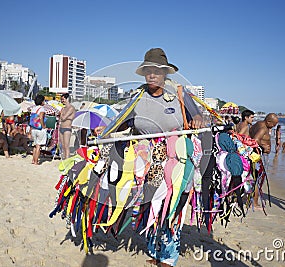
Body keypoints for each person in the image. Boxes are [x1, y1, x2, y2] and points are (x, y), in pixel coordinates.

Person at [95, 48, 205, 267]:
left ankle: (169, 257)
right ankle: (155, 250)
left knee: (170, 206)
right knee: (149, 204)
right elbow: (122, 120)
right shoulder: (138, 96)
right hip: (145, 160)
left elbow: (198, 116)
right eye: (148, 71)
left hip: (175, 159)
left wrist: (198, 120)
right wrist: (105, 131)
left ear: (165, 73)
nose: (152, 75)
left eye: (156, 71)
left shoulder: (179, 93)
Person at [249, 113, 279, 208]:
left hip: (254, 154)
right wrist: (263, 146)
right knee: (259, 179)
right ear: (268, 121)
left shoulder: (258, 124)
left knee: (254, 177)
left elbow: (251, 134)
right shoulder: (263, 128)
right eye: (273, 124)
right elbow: (255, 139)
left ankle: (251, 198)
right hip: (258, 155)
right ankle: (255, 202)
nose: (274, 126)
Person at [30, 94, 47, 165]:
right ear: (42, 101)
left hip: (33, 128)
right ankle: (36, 161)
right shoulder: (42, 109)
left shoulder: (33, 109)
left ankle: (33, 160)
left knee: (35, 145)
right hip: (39, 129)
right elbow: (41, 118)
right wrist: (44, 126)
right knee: (38, 146)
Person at [59, 93, 76, 159]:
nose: (62, 101)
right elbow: (62, 118)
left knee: (66, 146)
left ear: (67, 99)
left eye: (63, 99)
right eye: (61, 99)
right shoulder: (63, 108)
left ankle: (67, 160)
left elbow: (63, 118)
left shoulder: (71, 108)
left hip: (67, 128)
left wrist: (61, 114)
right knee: (63, 146)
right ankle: (64, 159)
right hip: (61, 128)